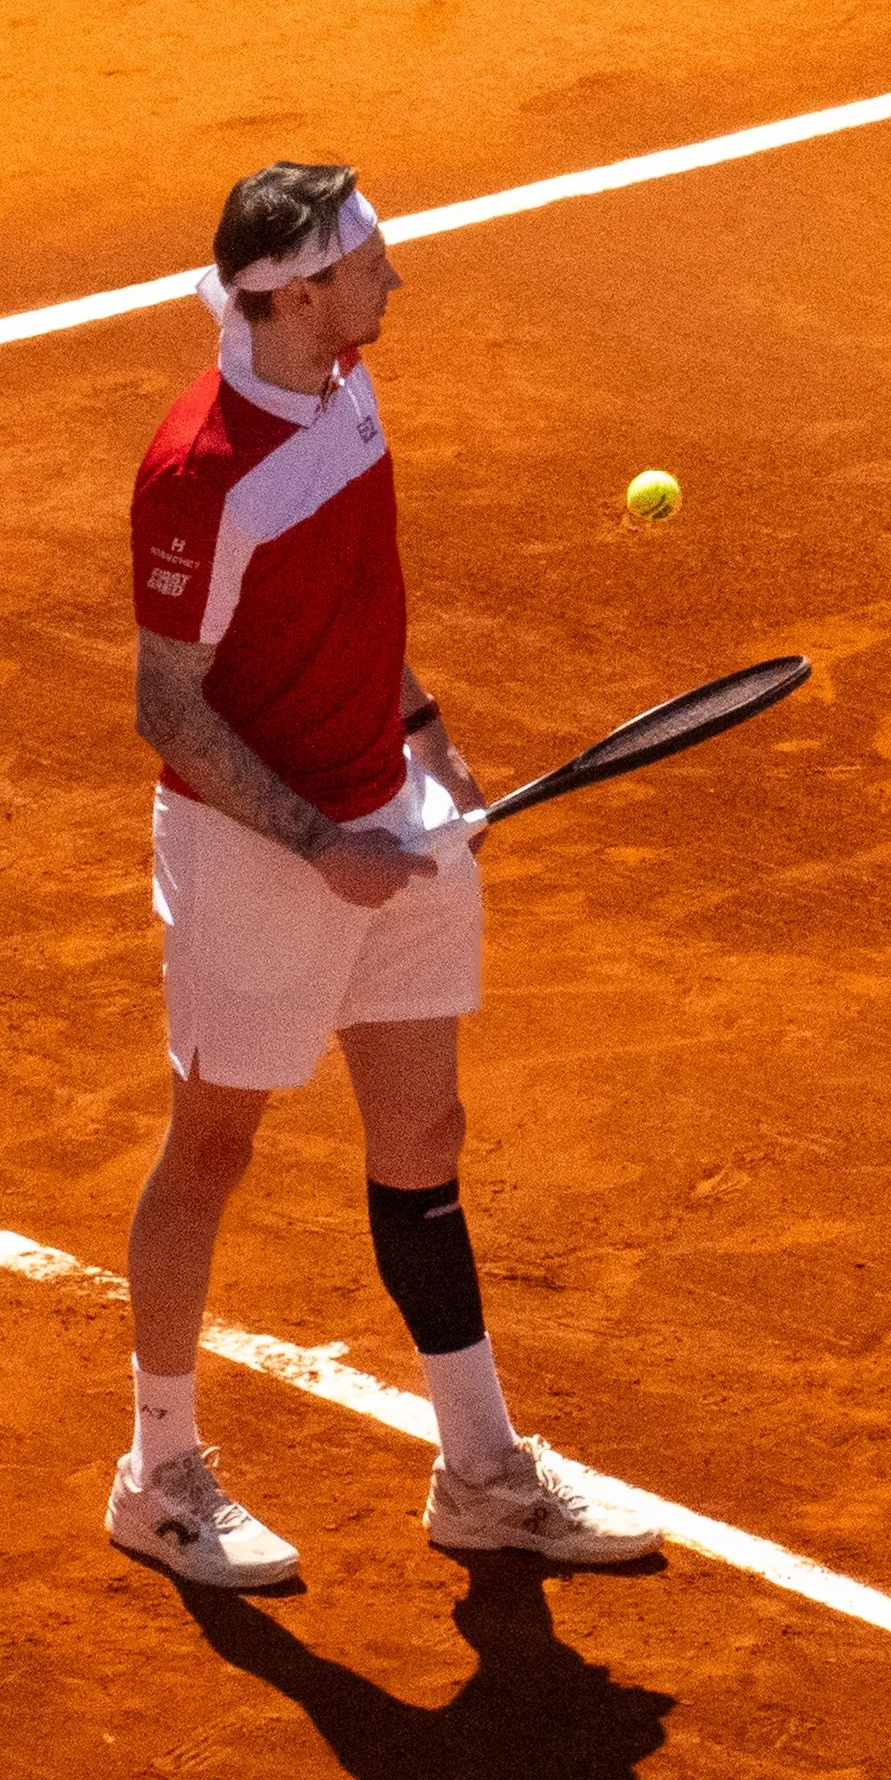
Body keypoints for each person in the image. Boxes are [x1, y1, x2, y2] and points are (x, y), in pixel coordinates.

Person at [107, 161, 660, 1587]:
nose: (392, 283)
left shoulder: (343, 382)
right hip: (256, 854)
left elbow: (356, 597)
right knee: (212, 1146)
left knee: (424, 1139)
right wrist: (316, 844)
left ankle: (479, 1471)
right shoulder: (199, 474)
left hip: (387, 815)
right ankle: (158, 1474)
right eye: (367, 266)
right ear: (291, 292)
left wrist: (421, 731)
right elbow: (169, 708)